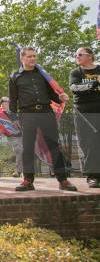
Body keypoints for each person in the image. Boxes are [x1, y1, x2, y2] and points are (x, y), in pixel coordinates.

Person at [9, 47, 77, 191]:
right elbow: (13, 99)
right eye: (29, 56)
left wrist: (60, 98)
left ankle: (63, 180)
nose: (32, 59)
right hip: (27, 114)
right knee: (27, 148)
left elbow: (51, 94)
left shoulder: (43, 74)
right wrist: (14, 116)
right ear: (22, 58)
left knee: (54, 145)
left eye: (34, 56)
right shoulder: (15, 76)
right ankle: (28, 180)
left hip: (46, 112)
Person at [70, 47, 100, 188]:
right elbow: (74, 87)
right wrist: (91, 85)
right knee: (87, 143)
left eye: (80, 54)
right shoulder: (76, 72)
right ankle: (92, 175)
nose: (77, 57)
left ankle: (95, 174)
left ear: (90, 56)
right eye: (76, 55)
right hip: (83, 112)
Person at [0, 97, 23, 177]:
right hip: (13, 136)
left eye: (8, 102)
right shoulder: (2, 113)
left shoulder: (16, 111)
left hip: (24, 134)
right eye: (5, 102)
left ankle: (53, 171)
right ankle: (18, 171)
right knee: (19, 150)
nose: (7, 103)